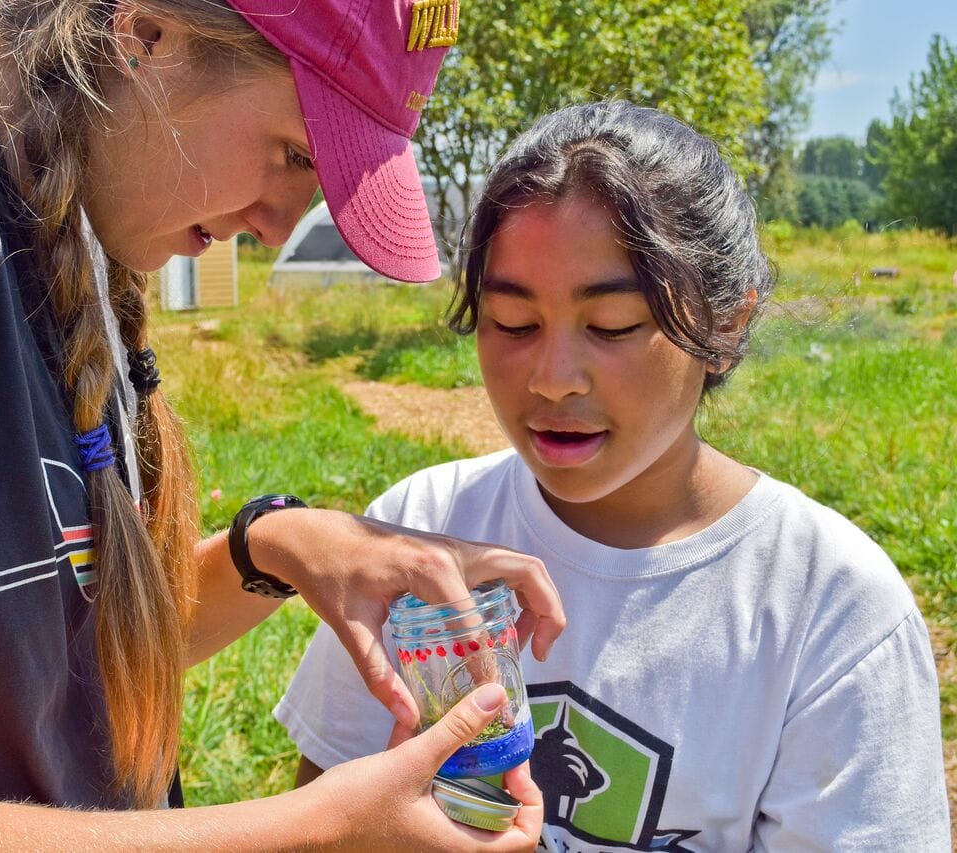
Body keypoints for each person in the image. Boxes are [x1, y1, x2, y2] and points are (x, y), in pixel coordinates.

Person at [0, 0, 569, 847]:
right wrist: (311, 830)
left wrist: (277, 547)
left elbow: (41, 656)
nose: (279, 226)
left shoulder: (72, 247)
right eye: (296, 155)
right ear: (145, 35)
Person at [276, 101, 950, 851]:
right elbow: (316, 816)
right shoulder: (418, 529)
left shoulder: (829, 605)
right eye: (512, 323)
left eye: (614, 325)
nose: (554, 378)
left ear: (725, 327)